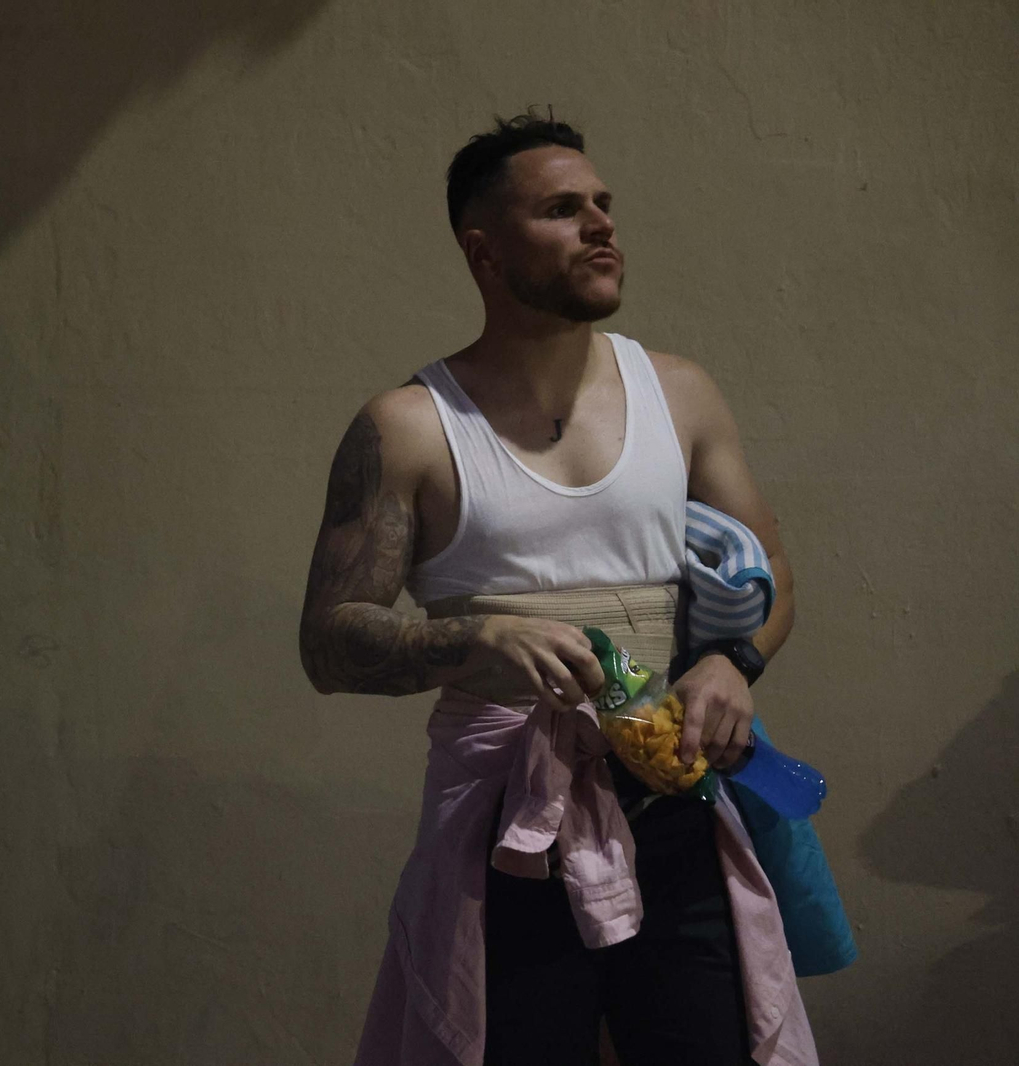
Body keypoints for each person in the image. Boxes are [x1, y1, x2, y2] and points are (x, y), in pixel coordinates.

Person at [298, 115, 817, 1065]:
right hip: (506, 819)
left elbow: (773, 572)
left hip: (673, 792)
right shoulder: (410, 426)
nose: (601, 227)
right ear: (483, 251)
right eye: (563, 210)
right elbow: (329, 642)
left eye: (605, 206)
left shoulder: (681, 392)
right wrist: (473, 641)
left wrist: (731, 664)